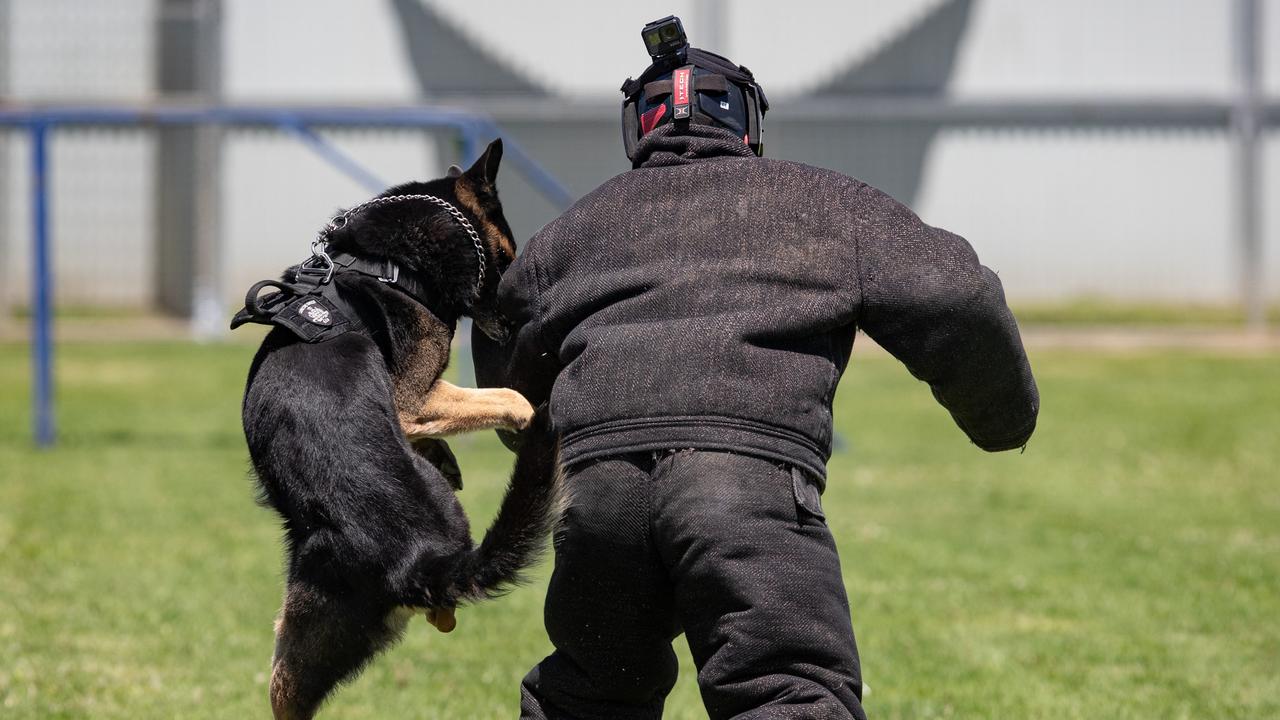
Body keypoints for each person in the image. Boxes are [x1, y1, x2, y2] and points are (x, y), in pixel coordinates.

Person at [473, 24, 1039, 720]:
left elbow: (503, 338)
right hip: (742, 485)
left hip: (597, 501)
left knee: (588, 699)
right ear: (747, 122)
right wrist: (1003, 417)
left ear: (638, 129)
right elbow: (957, 291)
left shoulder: (567, 236)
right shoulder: (821, 203)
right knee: (784, 693)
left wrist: (520, 433)